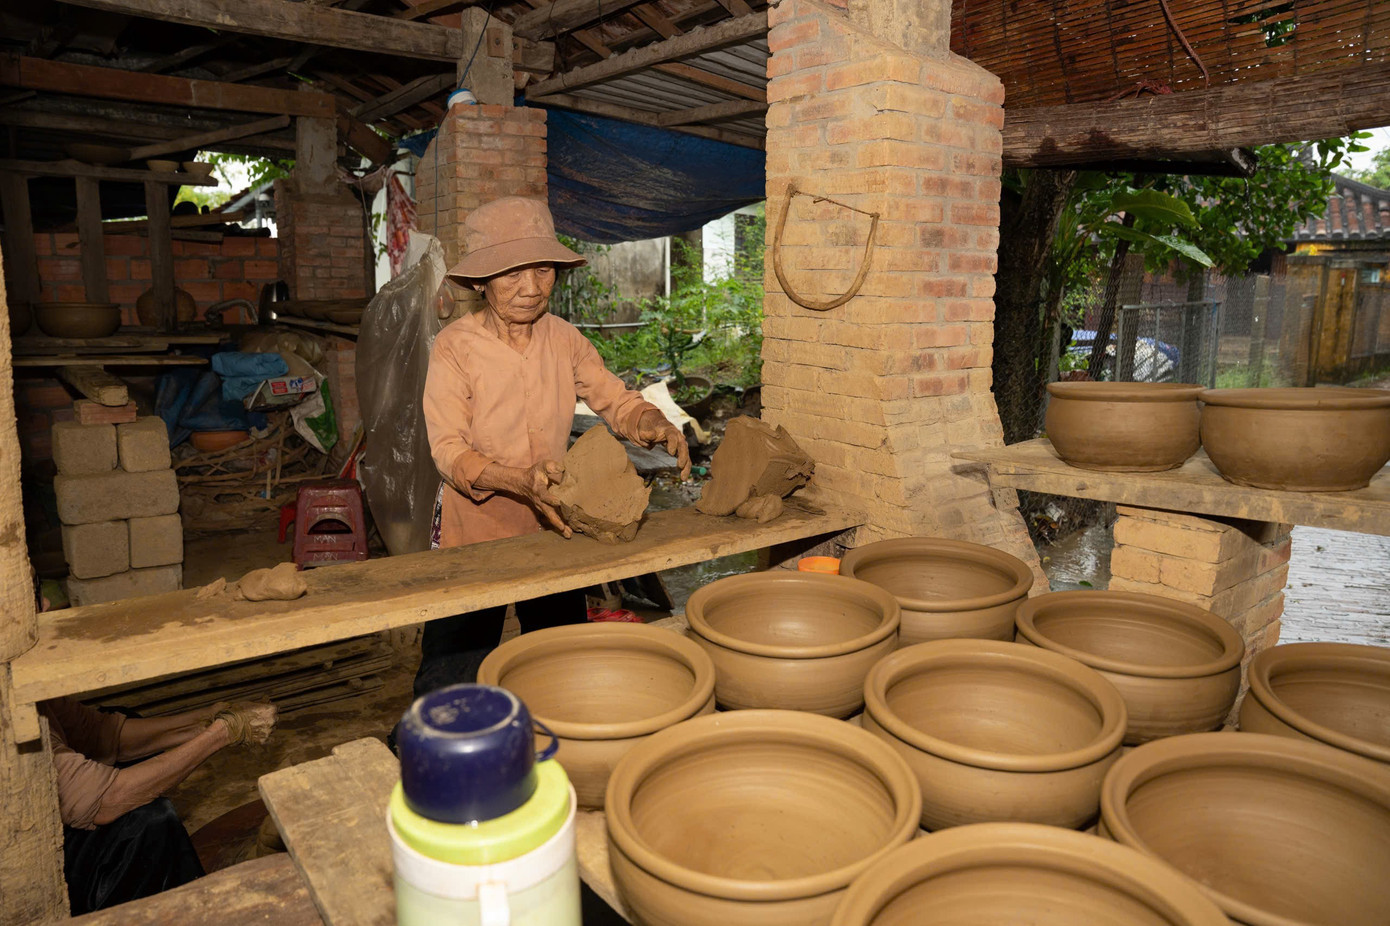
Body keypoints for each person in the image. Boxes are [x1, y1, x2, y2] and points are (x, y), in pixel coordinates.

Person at [417, 196, 691, 695]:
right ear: (480, 282)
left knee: (560, 664)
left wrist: (653, 422)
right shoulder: (455, 347)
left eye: (543, 270)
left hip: (555, 526)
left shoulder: (564, 339)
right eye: (511, 274)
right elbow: (447, 449)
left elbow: (615, 399)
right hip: (477, 532)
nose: (531, 288)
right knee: (451, 677)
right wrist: (518, 481)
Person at [43, 696, 276, 914]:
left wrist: (207, 719)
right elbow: (105, 801)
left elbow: (103, 734)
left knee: (126, 719)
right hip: (42, 868)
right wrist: (223, 732)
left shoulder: (39, 694)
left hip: (80, 801)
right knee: (149, 821)